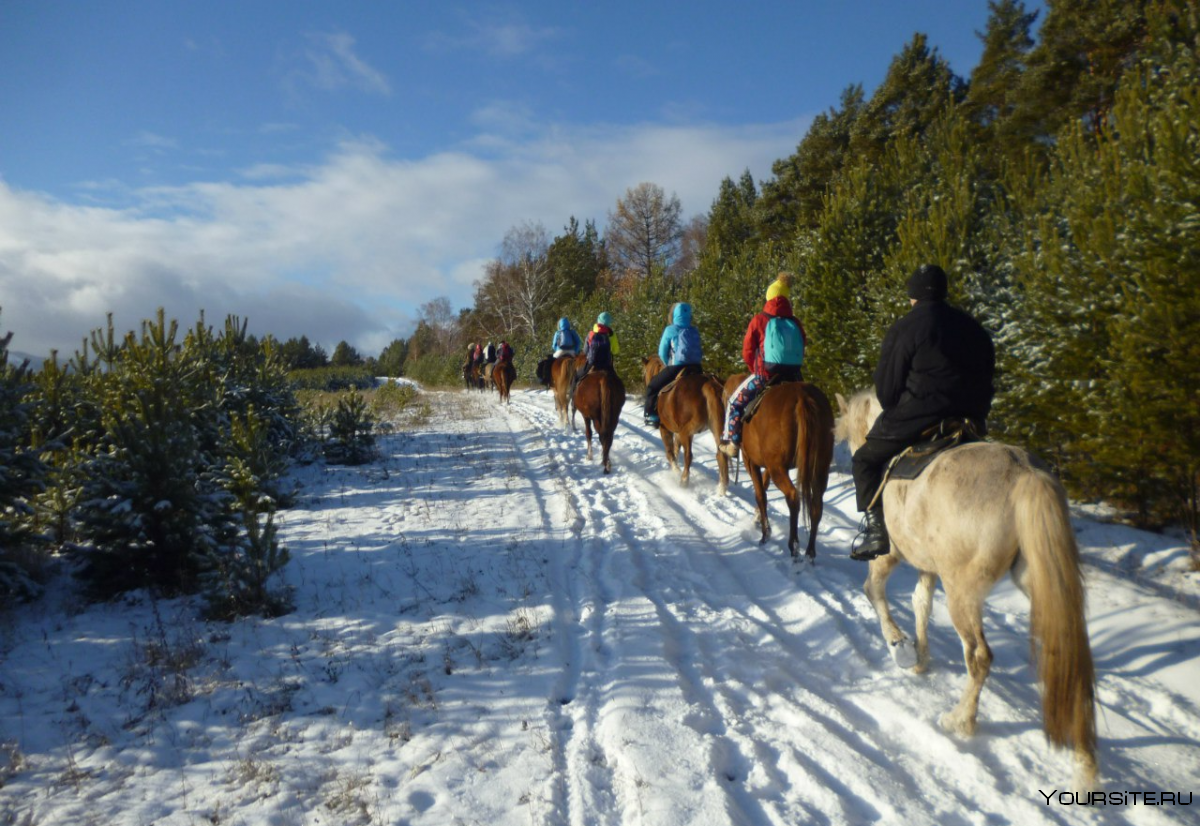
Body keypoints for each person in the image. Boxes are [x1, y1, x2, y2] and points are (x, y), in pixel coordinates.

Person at [850, 263, 996, 561]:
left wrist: (903, 406)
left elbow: (887, 391)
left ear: (912, 296)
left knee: (864, 458)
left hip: (921, 417)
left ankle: (876, 531)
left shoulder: (906, 327)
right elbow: (989, 374)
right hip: (970, 420)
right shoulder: (972, 327)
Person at [718, 273, 806, 457]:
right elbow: (803, 344)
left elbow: (748, 350)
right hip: (794, 375)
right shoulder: (795, 321)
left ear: (768, 297)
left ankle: (731, 441)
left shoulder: (759, 319)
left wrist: (756, 371)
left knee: (734, 402)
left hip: (766, 374)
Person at [643, 302, 703, 426]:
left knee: (652, 386)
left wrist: (667, 364)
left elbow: (662, 351)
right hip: (697, 367)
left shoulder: (671, 329)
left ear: (674, 314)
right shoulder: (694, 330)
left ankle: (651, 415)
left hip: (677, 366)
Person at [571, 311, 619, 396]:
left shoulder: (591, 333)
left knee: (576, 377)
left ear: (598, 321)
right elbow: (615, 351)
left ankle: (573, 399)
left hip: (592, 363)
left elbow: (585, 351)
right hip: (607, 364)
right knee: (617, 383)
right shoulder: (612, 334)